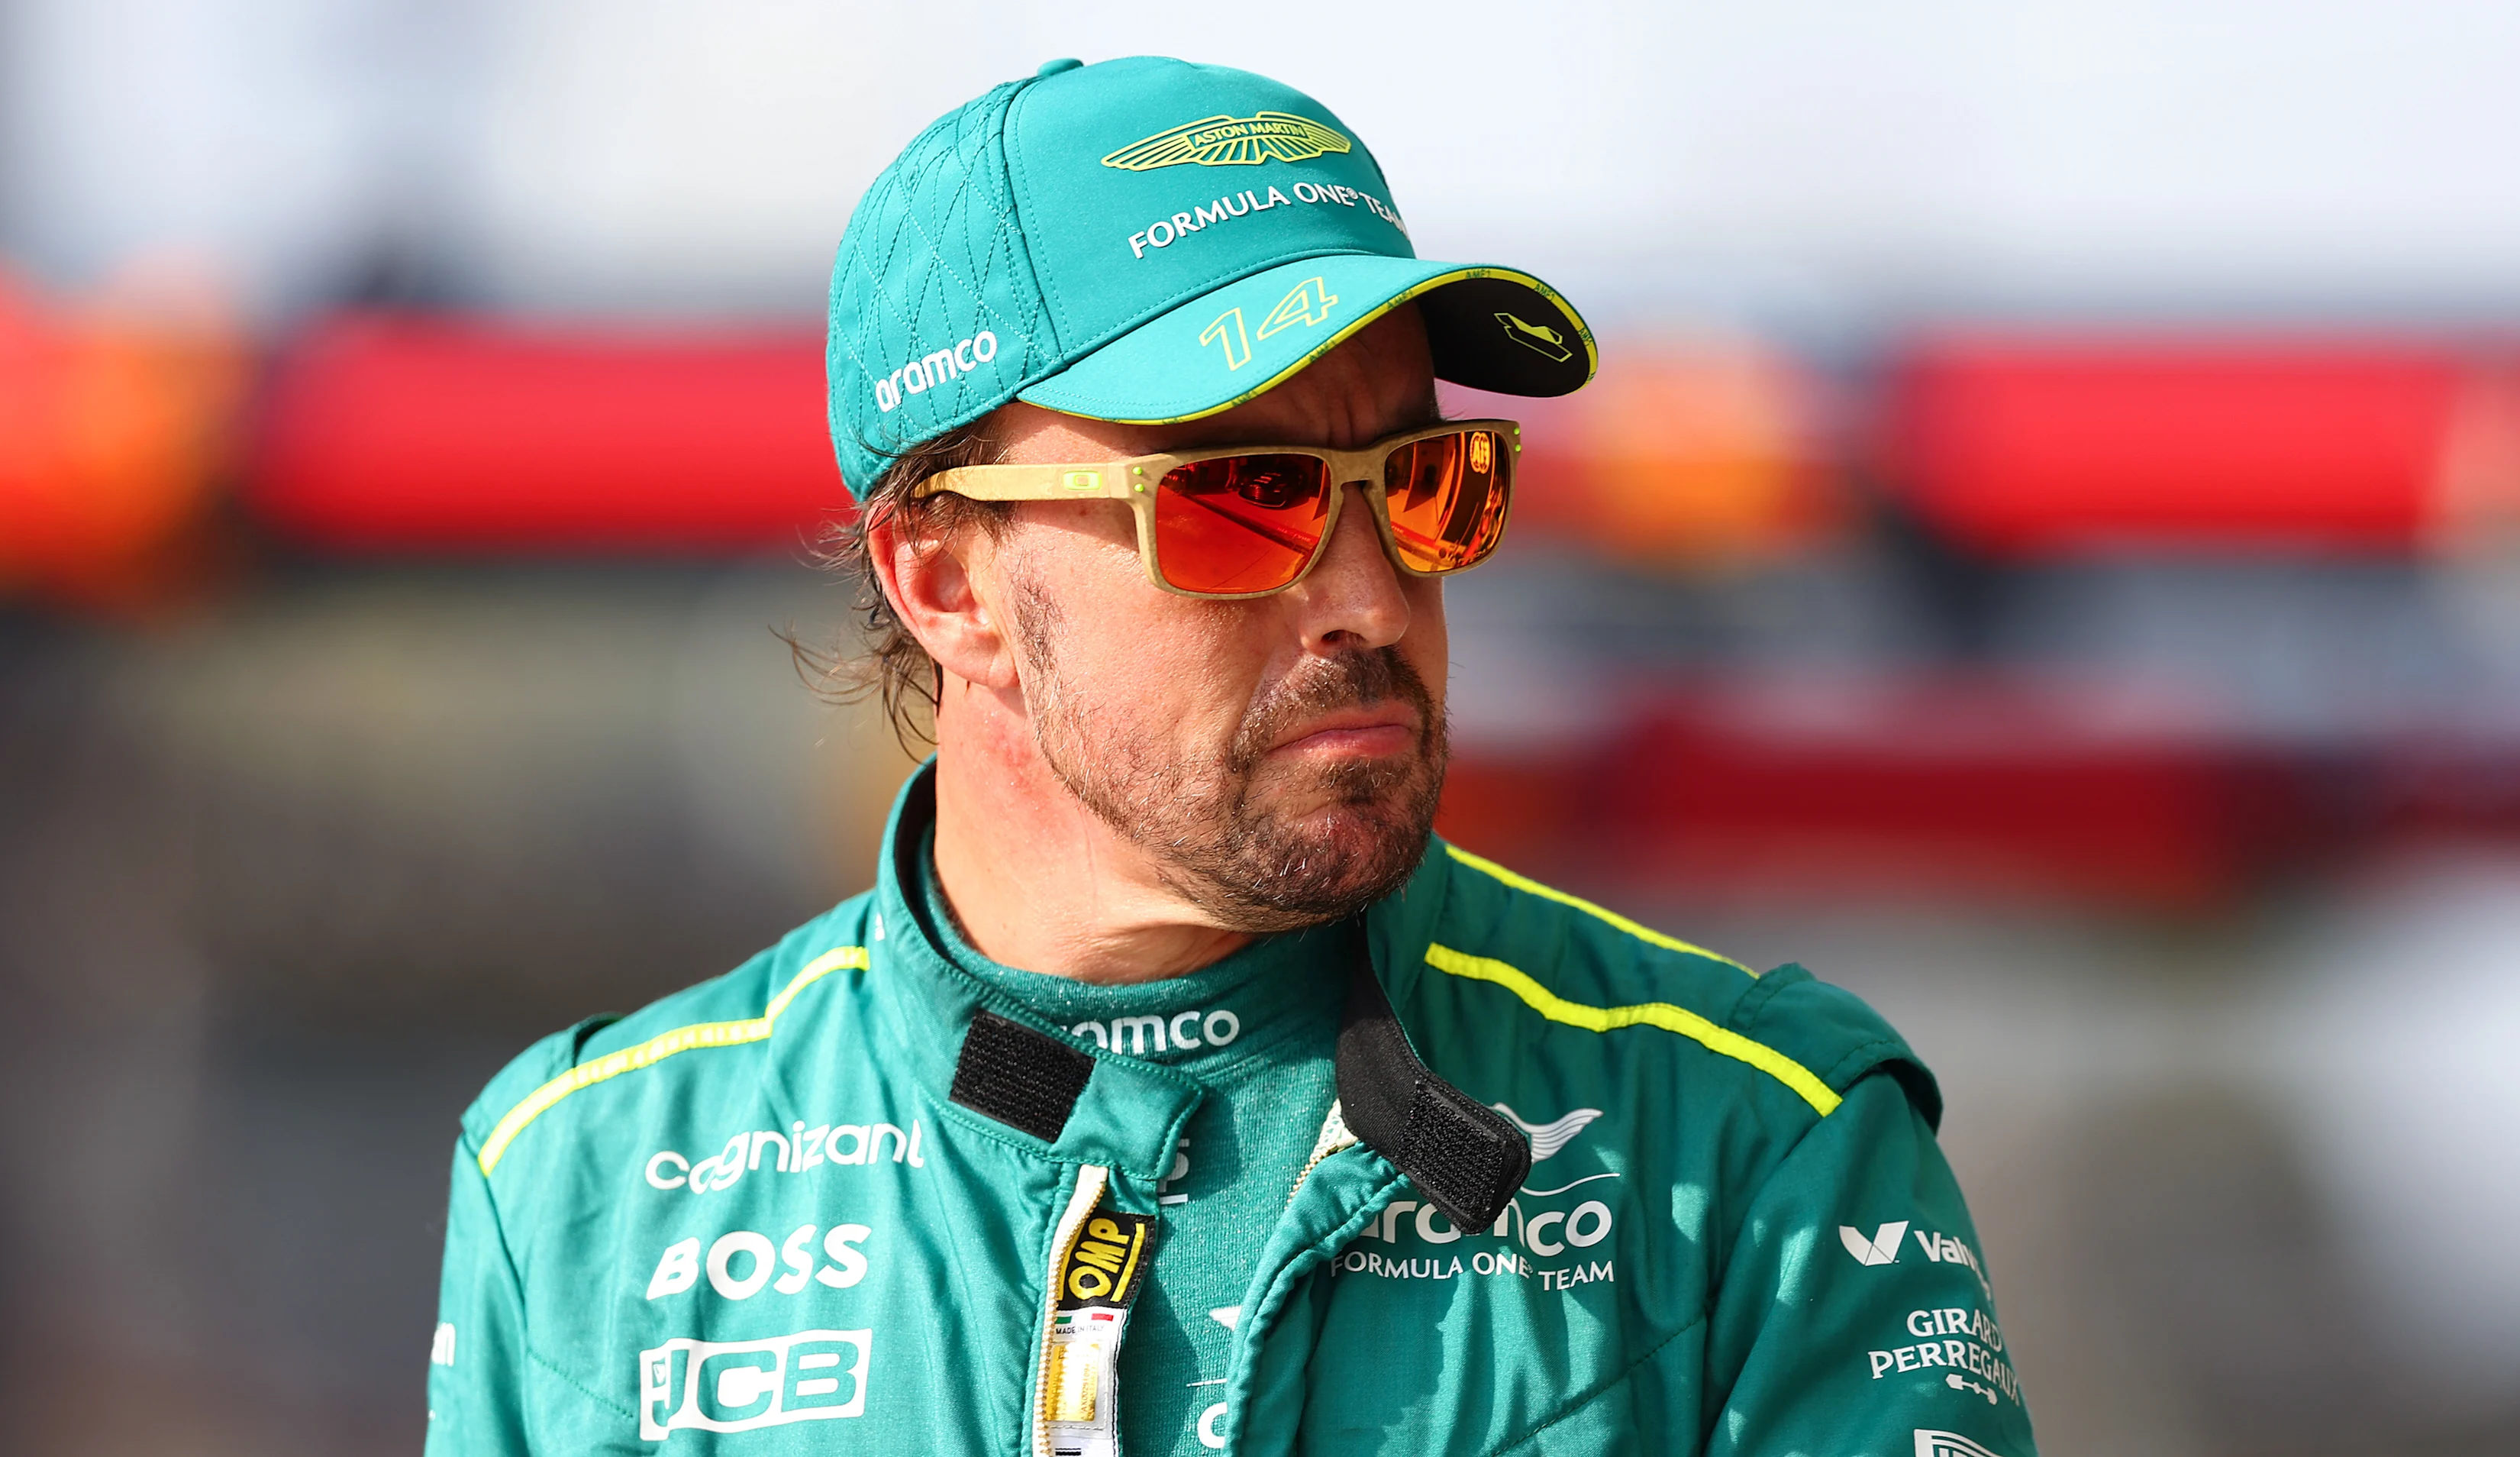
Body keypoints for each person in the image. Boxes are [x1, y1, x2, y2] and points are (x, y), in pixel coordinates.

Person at [427, 56, 2035, 1457]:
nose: (1367, 595)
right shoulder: (588, 1187)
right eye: (1238, 495)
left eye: (1427, 483)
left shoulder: (1750, 1138)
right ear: (945, 579)